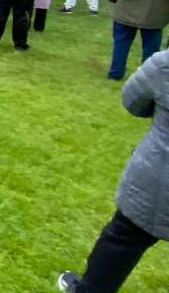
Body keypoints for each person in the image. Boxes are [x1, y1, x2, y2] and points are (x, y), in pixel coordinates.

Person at [57, 49, 169, 293]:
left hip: (158, 181)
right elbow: (133, 100)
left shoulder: (164, 64)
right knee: (124, 238)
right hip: (158, 181)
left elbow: (134, 101)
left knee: (122, 239)